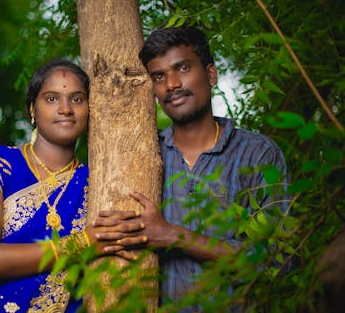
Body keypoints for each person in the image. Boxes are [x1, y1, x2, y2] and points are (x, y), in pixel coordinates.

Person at [94, 25, 288, 311]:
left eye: (182, 68)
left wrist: (173, 236)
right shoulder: (141, 157)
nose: (171, 84)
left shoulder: (258, 154)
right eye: (158, 76)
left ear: (210, 75)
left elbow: (278, 261)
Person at [0, 59, 143, 313]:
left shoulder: (99, 183)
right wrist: (80, 243)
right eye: (52, 99)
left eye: (77, 99)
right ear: (33, 109)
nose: (66, 108)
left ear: (91, 110)